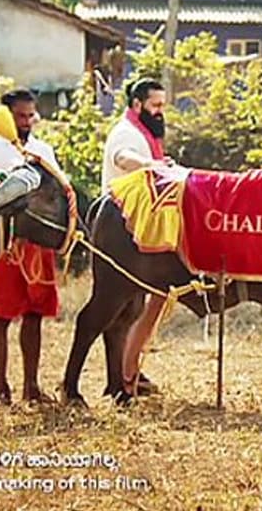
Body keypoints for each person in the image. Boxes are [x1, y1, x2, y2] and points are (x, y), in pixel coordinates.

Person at [0, 89, 61, 406]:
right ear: (6, 115)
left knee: (35, 314)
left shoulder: (42, 149)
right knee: (2, 314)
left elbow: (55, 193)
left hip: (38, 244)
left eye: (30, 115)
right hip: (6, 244)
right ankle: (0, 388)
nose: (26, 121)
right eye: (20, 115)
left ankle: (31, 387)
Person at [100, 78, 173, 403]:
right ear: (137, 106)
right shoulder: (127, 133)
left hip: (141, 227)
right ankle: (120, 376)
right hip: (120, 229)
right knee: (116, 311)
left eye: (162, 106)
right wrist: (153, 166)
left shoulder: (148, 135)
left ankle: (127, 373)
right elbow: (124, 158)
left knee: (138, 307)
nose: (160, 112)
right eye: (155, 105)